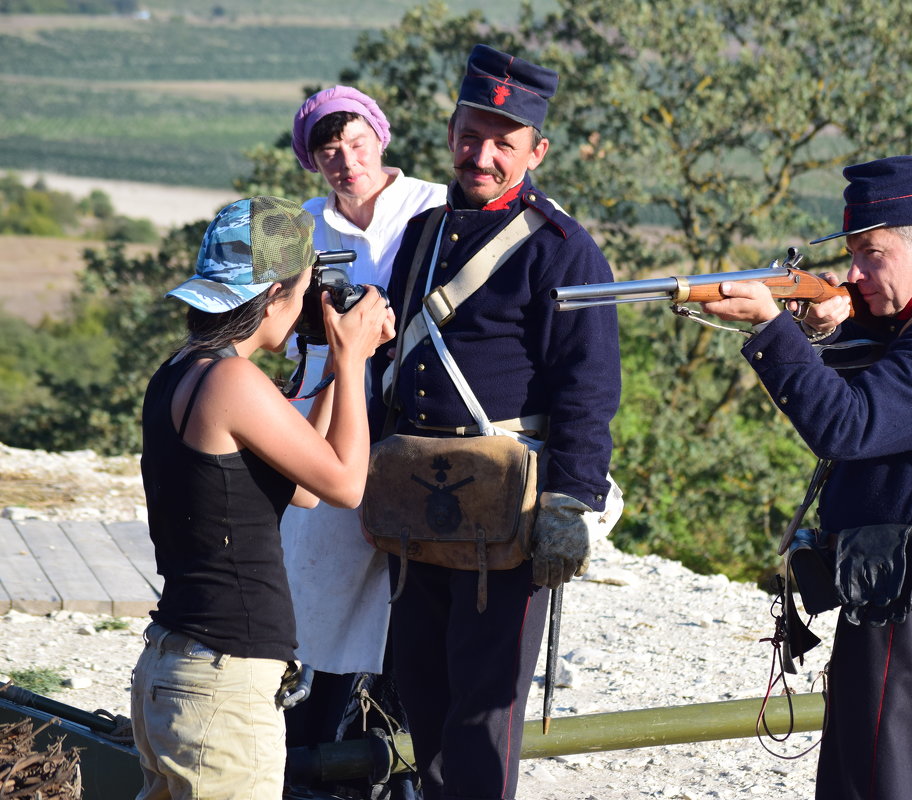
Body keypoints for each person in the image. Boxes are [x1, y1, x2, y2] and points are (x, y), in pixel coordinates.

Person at [700, 155, 912, 800]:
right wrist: (830, 321)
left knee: (900, 780)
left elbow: (847, 425)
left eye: (871, 254)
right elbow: (882, 374)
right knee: (882, 777)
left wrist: (772, 328)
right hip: (896, 585)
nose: (854, 273)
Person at [373, 44, 621, 800]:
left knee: (484, 711)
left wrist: (569, 503)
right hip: (412, 498)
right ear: (450, 135)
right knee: (416, 686)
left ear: (536, 150)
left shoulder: (564, 251)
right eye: (470, 136)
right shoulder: (421, 235)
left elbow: (588, 387)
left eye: (503, 143)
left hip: (501, 512)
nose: (481, 155)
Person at [131, 196, 394, 799]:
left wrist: (331, 371)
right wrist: (353, 361)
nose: (305, 304)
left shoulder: (186, 369)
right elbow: (347, 484)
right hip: (220, 686)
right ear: (274, 294)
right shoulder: (232, 381)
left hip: (177, 670)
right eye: (301, 290)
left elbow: (303, 487)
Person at [279, 85, 445, 755]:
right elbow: (278, 333)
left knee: (419, 573)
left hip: (423, 410)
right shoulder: (296, 227)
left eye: (356, 143)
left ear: (381, 137)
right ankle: (319, 729)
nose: (347, 161)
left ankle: (399, 725)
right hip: (325, 398)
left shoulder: (435, 206)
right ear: (312, 162)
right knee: (318, 566)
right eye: (329, 150)